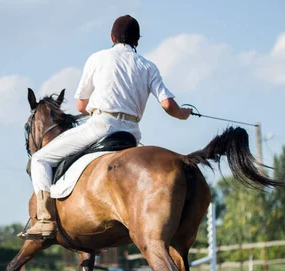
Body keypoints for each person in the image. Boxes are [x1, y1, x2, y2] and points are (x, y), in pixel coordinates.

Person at [25, 14, 192, 239]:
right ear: (137, 41)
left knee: (40, 159)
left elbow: (81, 105)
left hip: (101, 125)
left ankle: (45, 219)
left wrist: (99, 107)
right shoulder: (148, 66)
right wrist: (184, 114)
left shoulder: (97, 58)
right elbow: (167, 104)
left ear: (112, 37)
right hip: (131, 134)